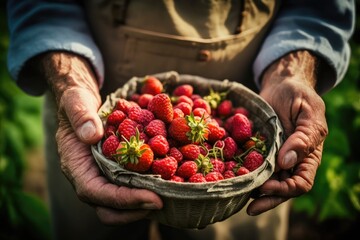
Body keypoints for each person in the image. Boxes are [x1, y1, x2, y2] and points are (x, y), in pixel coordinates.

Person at [6, 0, 355, 240]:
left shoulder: (224, 138)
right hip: (93, 98)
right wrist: (69, 78)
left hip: (257, 90)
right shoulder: (149, 124)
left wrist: (293, 70)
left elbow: (319, 7)